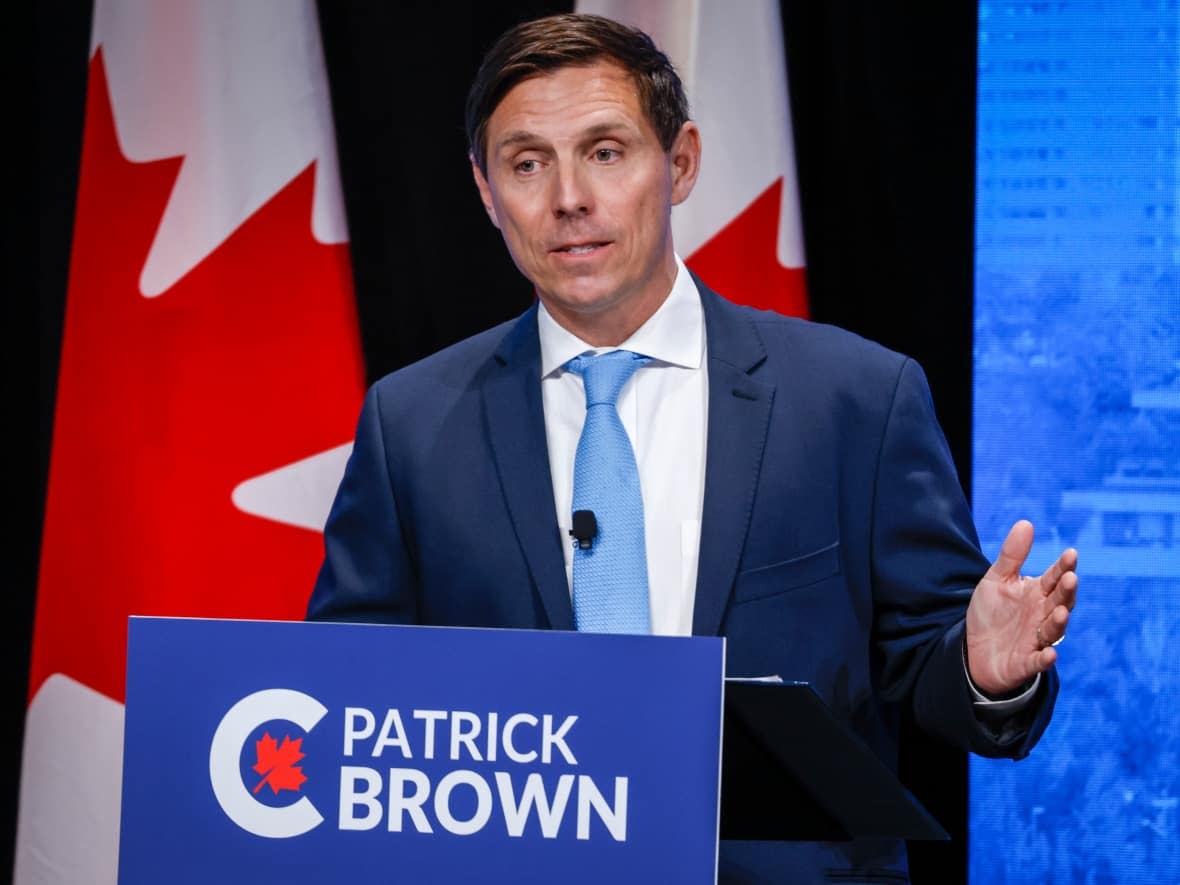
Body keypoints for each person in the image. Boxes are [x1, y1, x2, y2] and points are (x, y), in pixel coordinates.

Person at [308, 13, 1078, 882]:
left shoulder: (854, 398)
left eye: (605, 151)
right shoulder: (410, 423)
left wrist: (985, 668)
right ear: (486, 192)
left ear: (678, 164)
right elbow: (353, 702)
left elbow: (936, 669)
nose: (568, 198)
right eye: (527, 164)